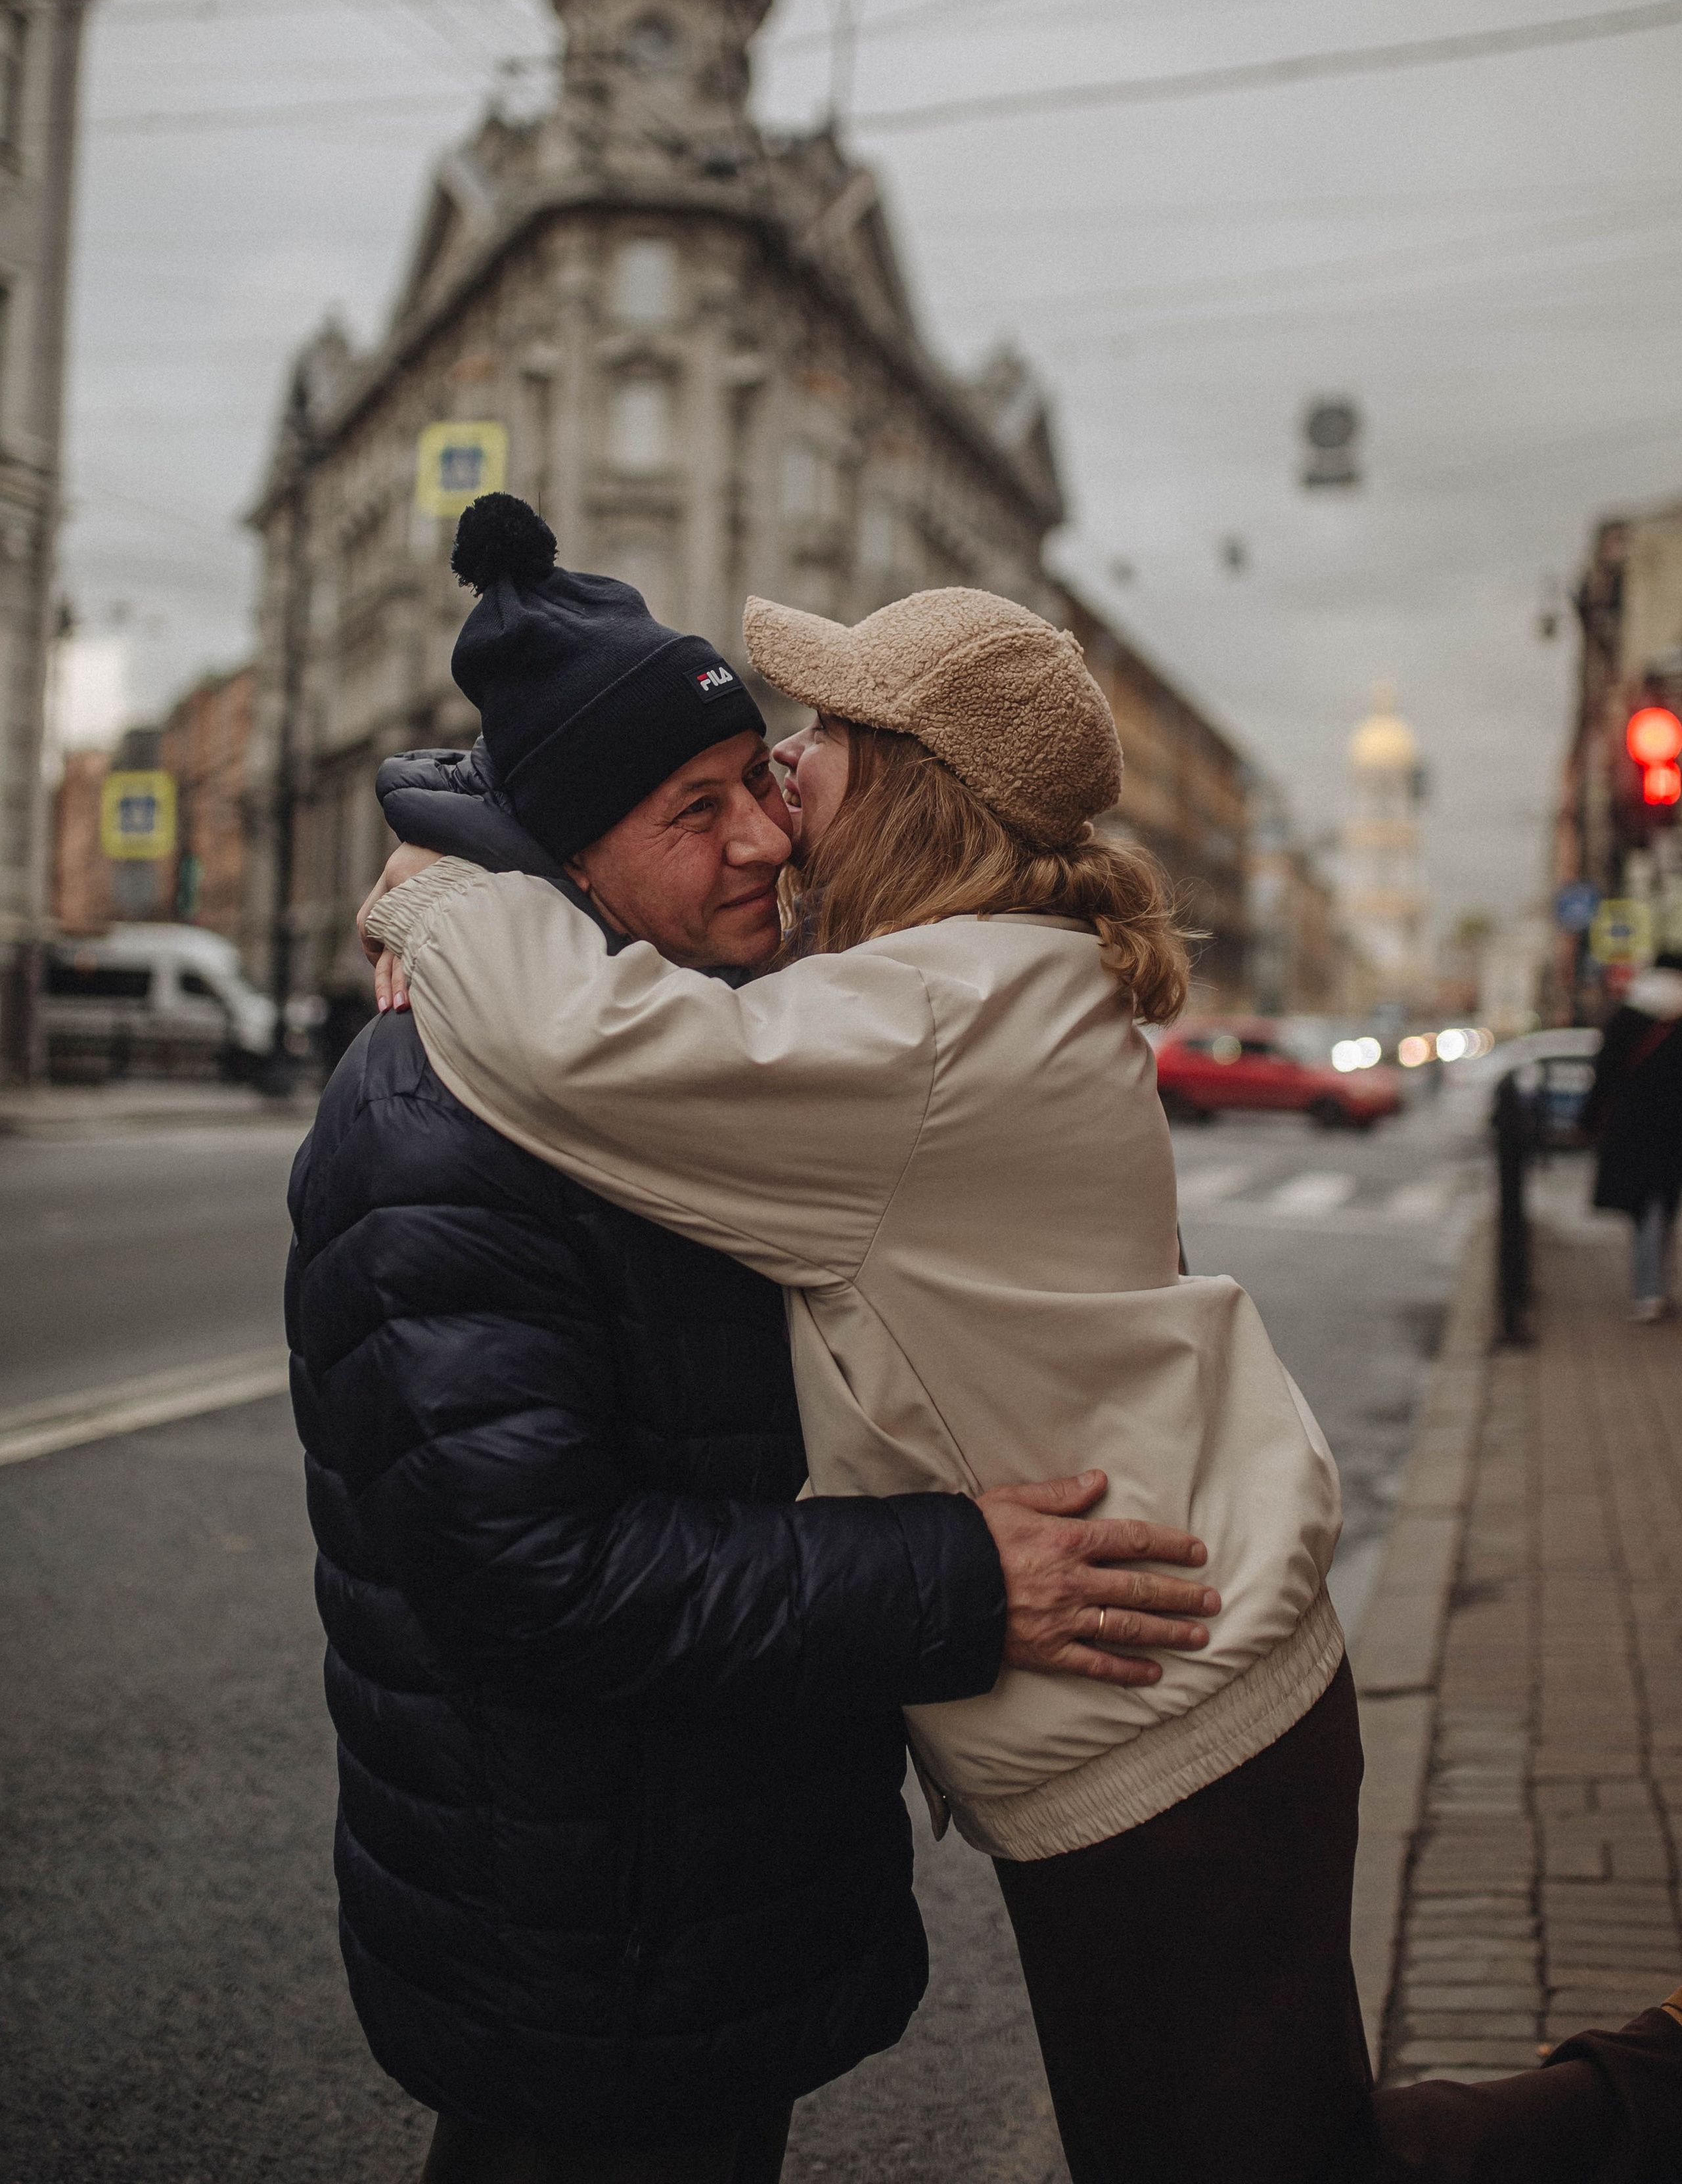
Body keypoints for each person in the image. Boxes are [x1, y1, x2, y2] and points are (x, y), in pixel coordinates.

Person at [363, 522, 1682, 2184]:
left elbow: (575, 1049)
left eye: (823, 735)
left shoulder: (924, 1020)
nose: (788, 765)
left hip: (1165, 1721)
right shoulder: (979, 977)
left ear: (910, 786)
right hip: (1176, 1692)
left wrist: (442, 883)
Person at [288, 493, 1215, 2184]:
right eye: (694, 809)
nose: (767, 841)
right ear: (566, 862)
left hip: (708, 1869)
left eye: (760, 784)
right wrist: (954, 1576)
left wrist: (442, 882)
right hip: (592, 1906)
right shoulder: (440, 1107)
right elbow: (524, 1567)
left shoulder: (737, 1044)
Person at [1583, 950, 1682, 1320]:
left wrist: (1588, 1120)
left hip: (1632, 1129)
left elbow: (1604, 1075)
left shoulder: (1627, 1016)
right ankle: (1654, 1287)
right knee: (1662, 1207)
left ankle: (1649, 1290)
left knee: (1644, 1210)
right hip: (1672, 1131)